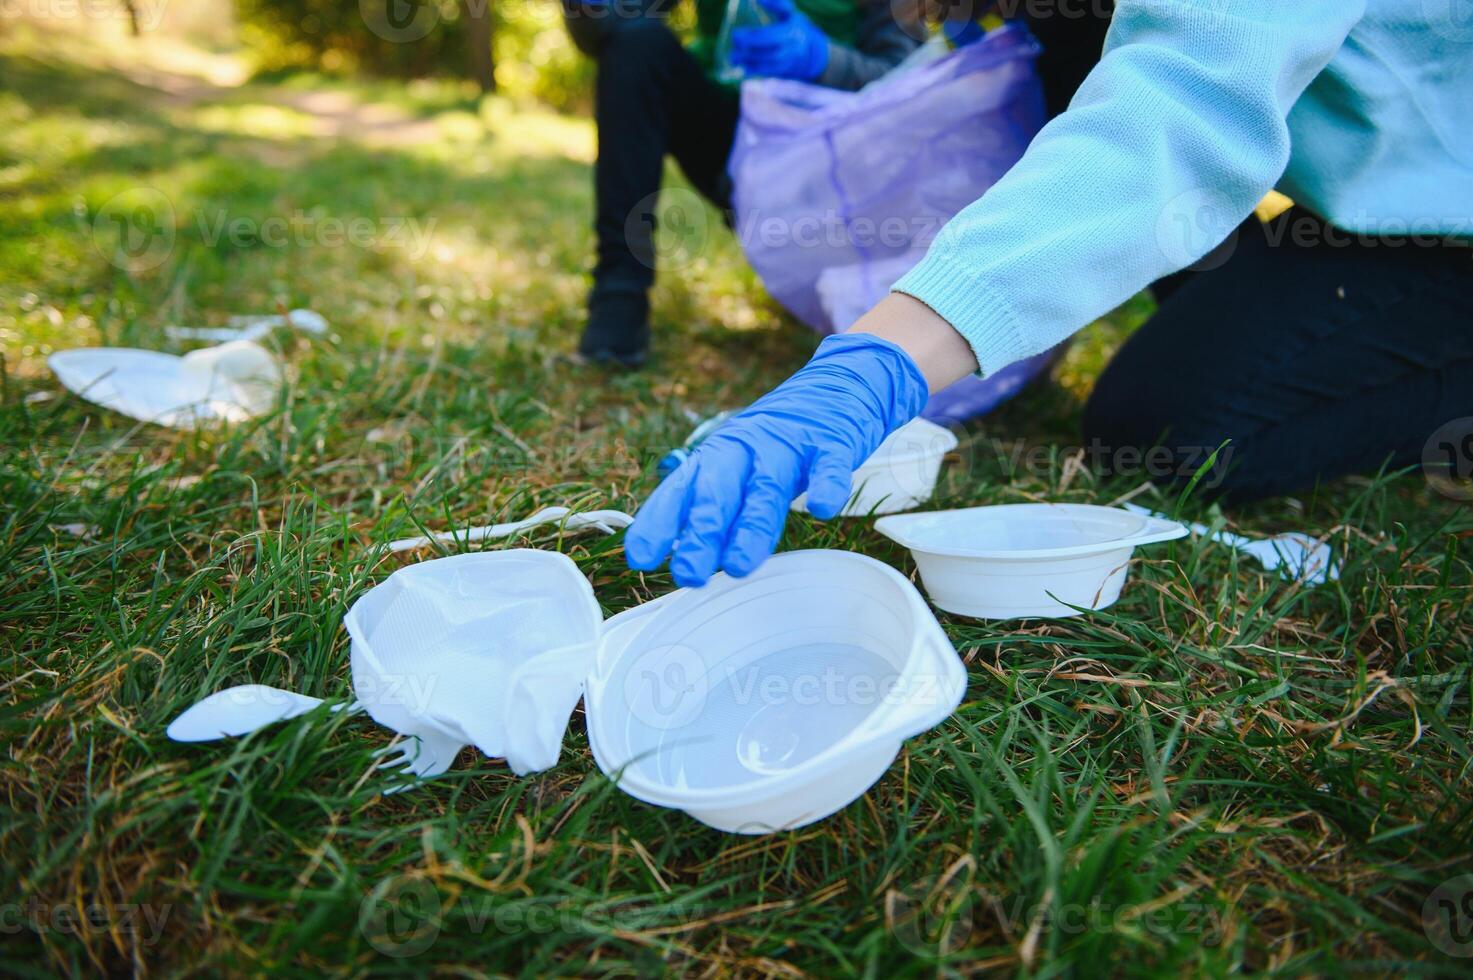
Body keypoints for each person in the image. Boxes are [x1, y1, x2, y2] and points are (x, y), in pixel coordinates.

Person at [623, 0, 1473, 588]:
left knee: (1175, 433)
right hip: (1359, 209)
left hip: (1447, 227)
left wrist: (875, 362)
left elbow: (1181, 110)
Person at [564, 0, 920, 367]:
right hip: (730, 143)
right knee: (638, 46)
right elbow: (607, 29)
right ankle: (618, 297)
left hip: (832, 166)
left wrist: (823, 60)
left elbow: (912, 84)